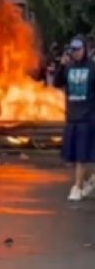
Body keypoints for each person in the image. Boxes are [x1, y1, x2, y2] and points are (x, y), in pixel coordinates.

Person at [55, 38, 95, 201]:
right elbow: (57, 83)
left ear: (84, 49)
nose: (76, 52)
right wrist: (61, 65)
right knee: (73, 157)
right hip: (72, 118)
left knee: (81, 155)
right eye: (73, 49)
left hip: (88, 118)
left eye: (78, 49)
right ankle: (89, 180)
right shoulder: (68, 67)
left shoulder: (92, 68)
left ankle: (77, 187)